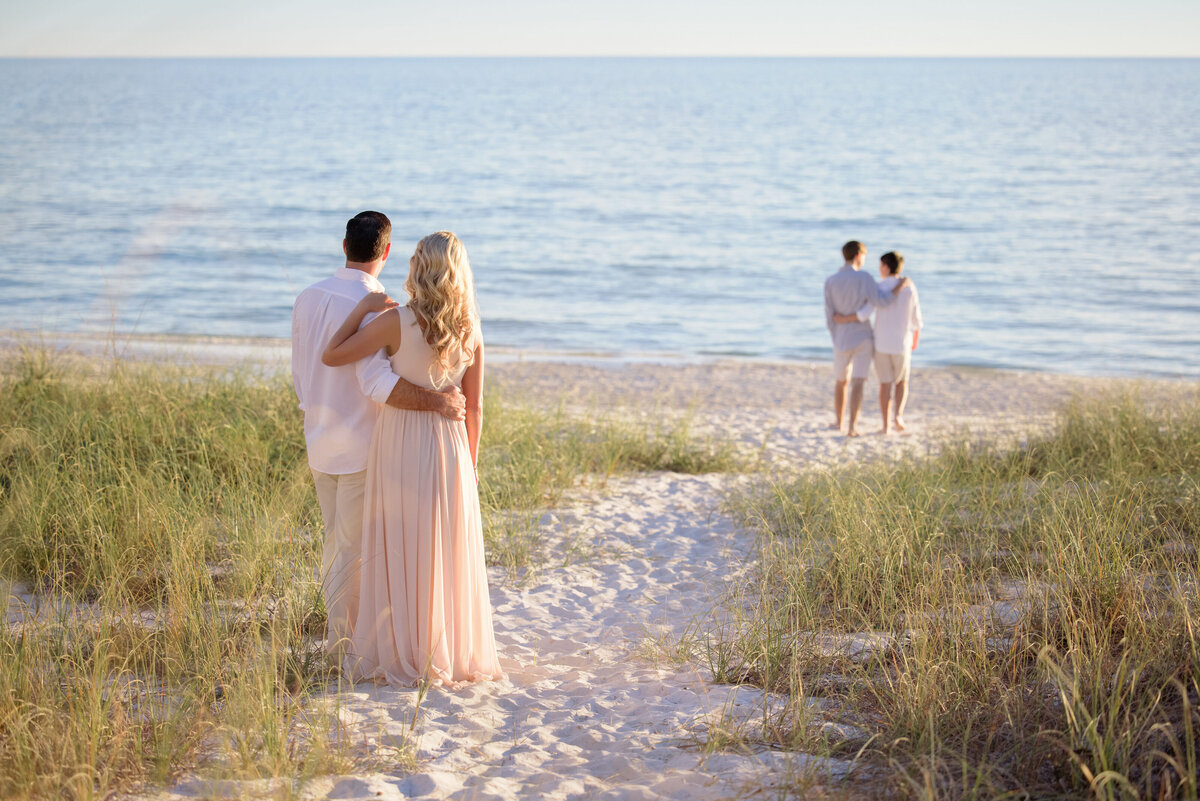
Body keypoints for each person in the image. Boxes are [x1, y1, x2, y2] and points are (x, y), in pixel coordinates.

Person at [322, 231, 504, 688]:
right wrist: (472, 463)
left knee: (402, 546)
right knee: (444, 548)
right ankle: (448, 651)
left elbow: (332, 355)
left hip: (401, 442)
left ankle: (405, 649)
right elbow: (475, 406)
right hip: (452, 448)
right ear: (459, 271)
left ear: (416, 267)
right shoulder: (472, 328)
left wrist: (361, 311)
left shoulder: (395, 323)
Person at [291, 211, 466, 657]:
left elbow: (302, 371)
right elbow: (376, 381)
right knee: (356, 550)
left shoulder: (307, 297)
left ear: (344, 246)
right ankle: (343, 646)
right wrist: (437, 402)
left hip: (319, 438)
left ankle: (347, 639)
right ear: (386, 252)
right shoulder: (379, 304)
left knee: (337, 542)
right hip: (366, 444)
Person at [823, 241, 908, 437]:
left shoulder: (831, 280)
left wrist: (836, 335)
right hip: (862, 337)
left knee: (840, 381)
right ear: (859, 256)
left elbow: (829, 316)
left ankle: (838, 421)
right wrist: (899, 287)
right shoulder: (865, 277)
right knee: (858, 382)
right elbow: (881, 301)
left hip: (841, 337)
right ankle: (852, 427)